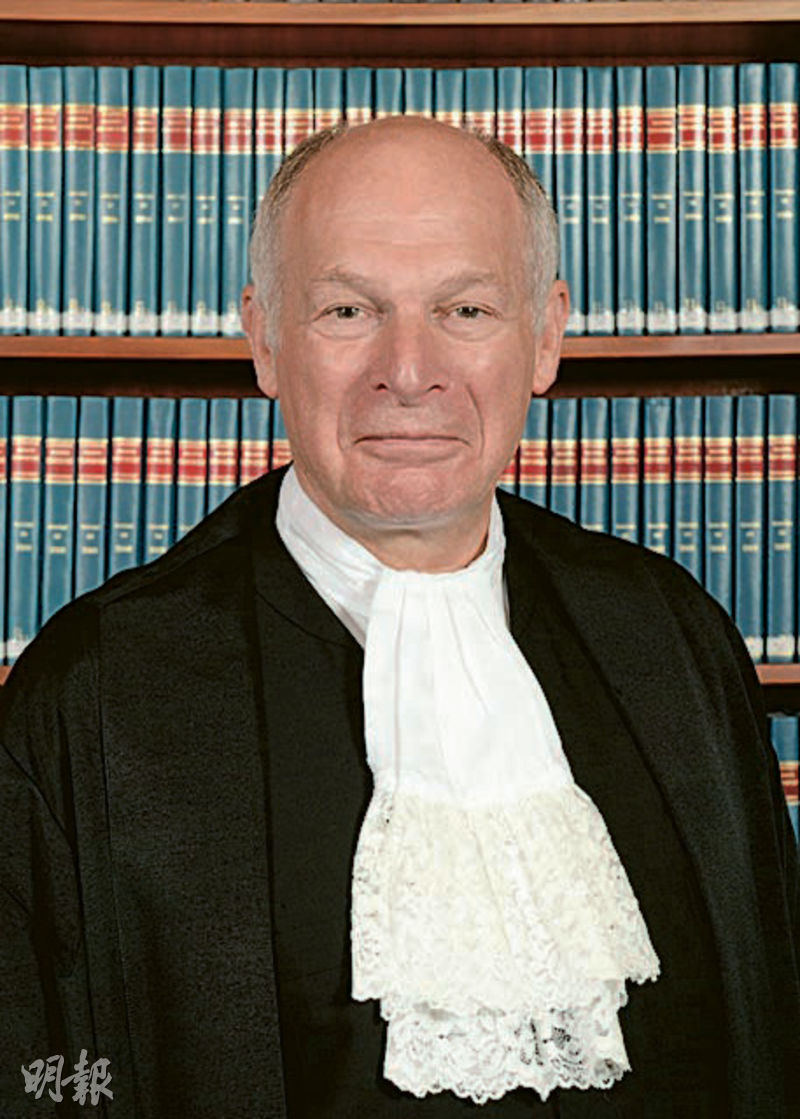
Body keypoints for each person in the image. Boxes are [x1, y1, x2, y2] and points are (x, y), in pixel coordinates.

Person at [1, 116, 798, 1119]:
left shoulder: (670, 638)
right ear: (264, 338)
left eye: (466, 309)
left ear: (545, 337)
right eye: (347, 310)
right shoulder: (97, 688)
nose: (409, 371)